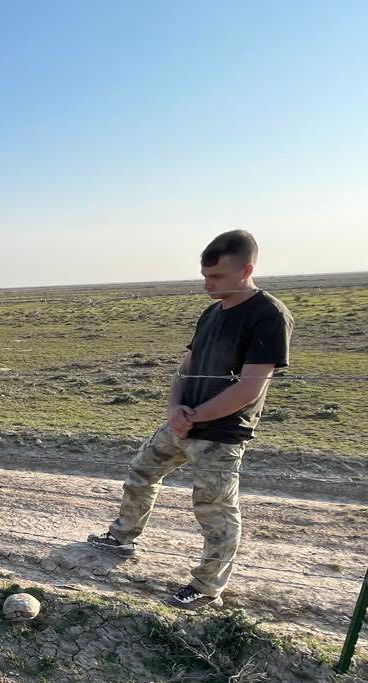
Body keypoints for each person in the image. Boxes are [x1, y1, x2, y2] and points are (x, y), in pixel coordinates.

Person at [88, 229, 293, 609]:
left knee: (215, 510)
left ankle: (207, 587)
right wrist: (174, 410)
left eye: (216, 277)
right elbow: (186, 367)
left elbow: (251, 387)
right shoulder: (211, 312)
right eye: (204, 276)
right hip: (182, 422)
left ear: (247, 270)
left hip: (222, 433)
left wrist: (195, 415)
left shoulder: (268, 314)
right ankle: (122, 537)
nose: (207, 285)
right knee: (141, 472)